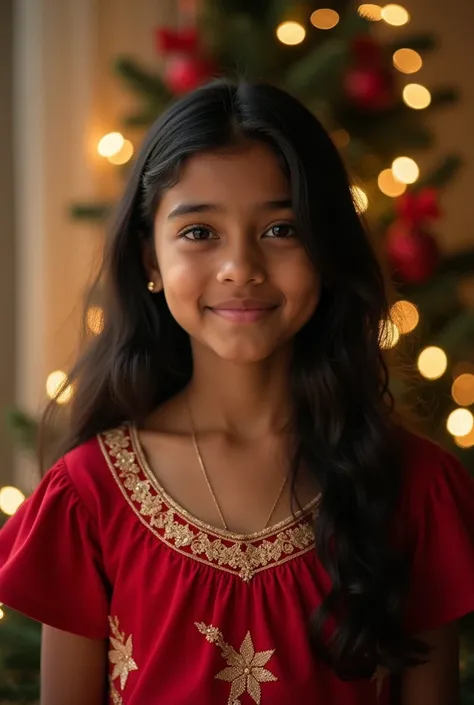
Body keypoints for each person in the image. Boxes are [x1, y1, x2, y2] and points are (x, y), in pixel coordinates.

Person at [0, 78, 473, 705]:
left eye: (281, 229)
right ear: (149, 259)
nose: (240, 267)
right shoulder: (90, 495)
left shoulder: (417, 488)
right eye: (199, 232)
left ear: (326, 248)